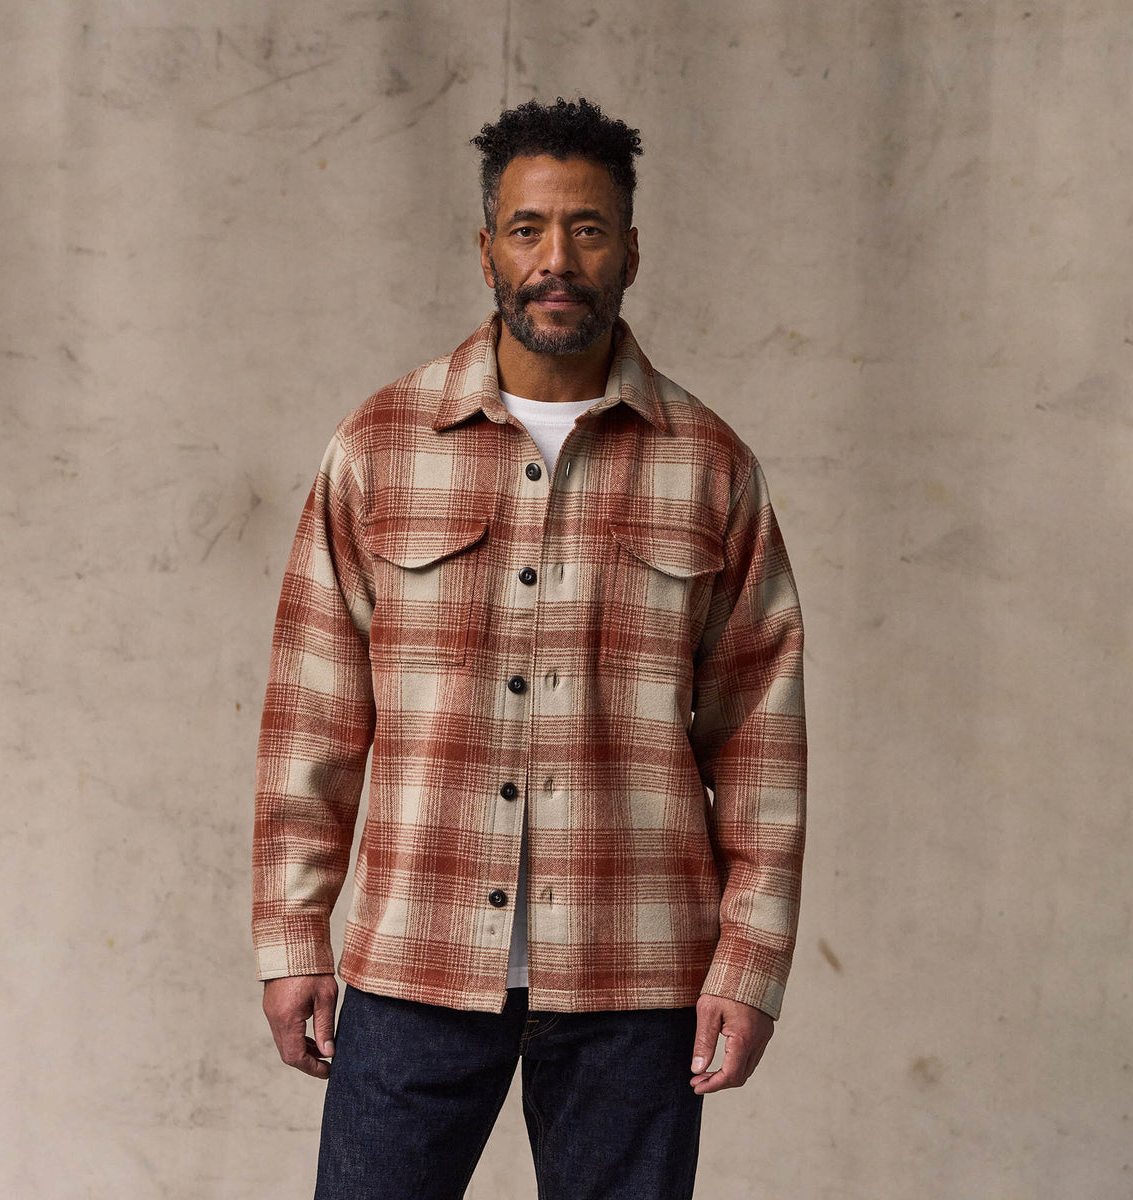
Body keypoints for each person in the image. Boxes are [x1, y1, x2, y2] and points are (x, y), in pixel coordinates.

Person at [252, 96, 807, 1200]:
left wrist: (750, 964)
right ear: (487, 249)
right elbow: (313, 719)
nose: (558, 258)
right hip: (414, 959)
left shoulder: (710, 466)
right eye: (528, 228)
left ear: (631, 252)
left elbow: (760, 741)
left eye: (588, 229)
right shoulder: (379, 446)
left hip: (636, 974)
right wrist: (292, 935)